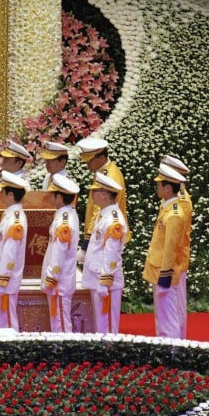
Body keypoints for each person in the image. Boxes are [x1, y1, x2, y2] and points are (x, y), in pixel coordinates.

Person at [143, 162, 192, 339]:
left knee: (169, 319)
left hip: (165, 273)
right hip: (160, 269)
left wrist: (165, 277)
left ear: (168, 188)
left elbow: (171, 248)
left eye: (160, 184)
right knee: (164, 317)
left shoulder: (175, 214)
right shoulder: (169, 207)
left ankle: (172, 352)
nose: (157, 187)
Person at [82, 172, 128, 334]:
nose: (92, 194)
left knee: (106, 326)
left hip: (105, 280)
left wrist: (105, 281)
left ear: (104, 195)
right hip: (97, 275)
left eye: (95, 191)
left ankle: (109, 349)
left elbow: (111, 254)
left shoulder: (113, 220)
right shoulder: (104, 215)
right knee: (100, 324)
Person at [0, 171, 30, 331]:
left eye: (3, 191)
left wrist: (2, 279)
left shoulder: (15, 220)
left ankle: (10, 347)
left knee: (6, 321)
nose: (0, 194)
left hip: (5, 281)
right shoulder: (10, 215)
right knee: (2, 319)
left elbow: (9, 254)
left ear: (10, 194)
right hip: (1, 278)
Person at [41, 172, 81, 333]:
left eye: (52, 194)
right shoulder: (66, 215)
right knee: (58, 320)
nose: (49, 196)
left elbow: (59, 252)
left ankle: (64, 348)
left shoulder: (65, 221)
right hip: (60, 279)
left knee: (61, 323)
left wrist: (52, 277)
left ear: (59, 197)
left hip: (60, 281)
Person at [76, 137, 128, 259]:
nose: (87, 164)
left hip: (105, 233)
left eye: (90, 160)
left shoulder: (108, 176)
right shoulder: (103, 171)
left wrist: (86, 244)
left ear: (102, 158)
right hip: (103, 231)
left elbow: (98, 210)